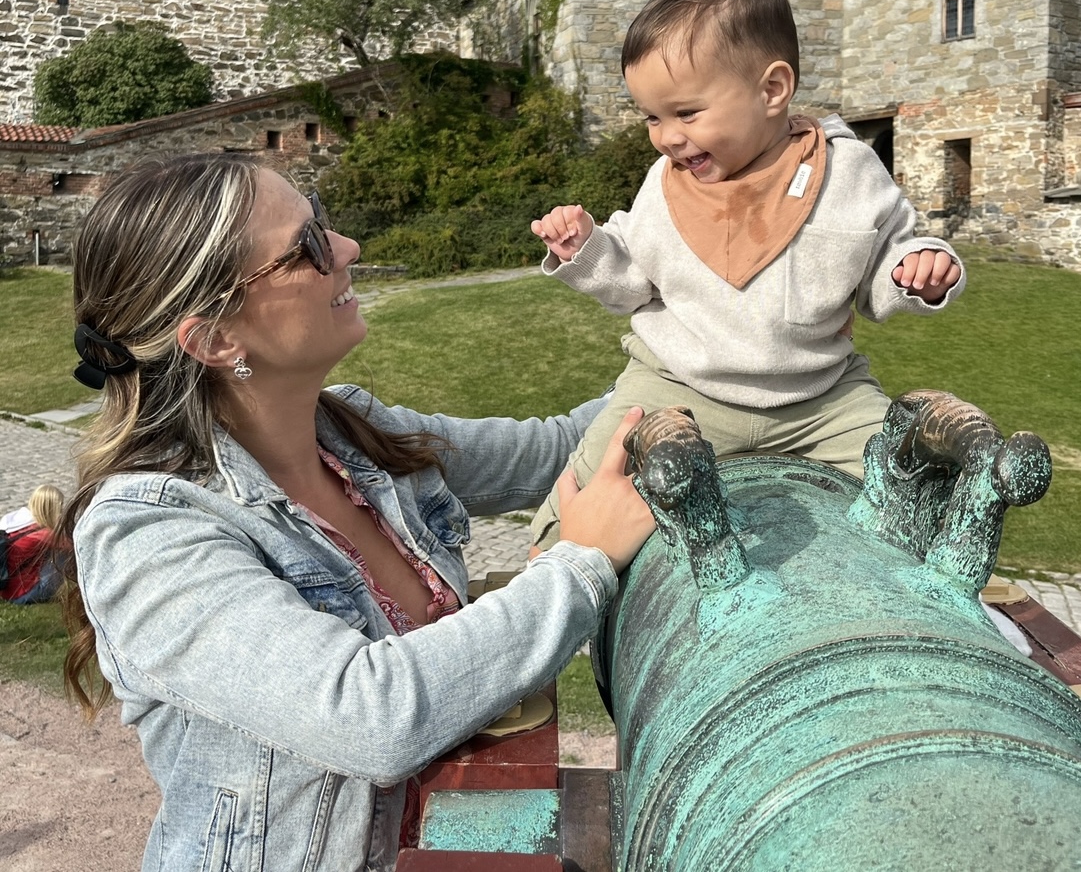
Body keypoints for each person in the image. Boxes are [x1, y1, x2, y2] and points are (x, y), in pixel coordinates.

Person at [58, 154, 654, 872]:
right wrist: (581, 564)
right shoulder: (148, 532)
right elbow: (370, 715)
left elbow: (557, 449)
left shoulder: (352, 435)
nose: (347, 248)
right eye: (306, 247)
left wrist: (697, 350)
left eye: (322, 220)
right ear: (216, 340)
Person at [528, 0, 965, 552]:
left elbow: (890, 254)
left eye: (686, 112)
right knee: (588, 487)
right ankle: (547, 560)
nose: (667, 136)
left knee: (910, 491)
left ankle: (929, 590)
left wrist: (918, 270)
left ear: (772, 90)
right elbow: (631, 278)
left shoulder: (847, 172)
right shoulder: (665, 185)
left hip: (821, 398)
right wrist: (588, 248)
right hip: (678, 387)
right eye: (652, 117)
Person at [1, 483, 65, 604]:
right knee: (64, 555)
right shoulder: (44, 534)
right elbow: (74, 545)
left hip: (6, 590)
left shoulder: (17, 523)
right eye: (60, 508)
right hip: (22, 594)